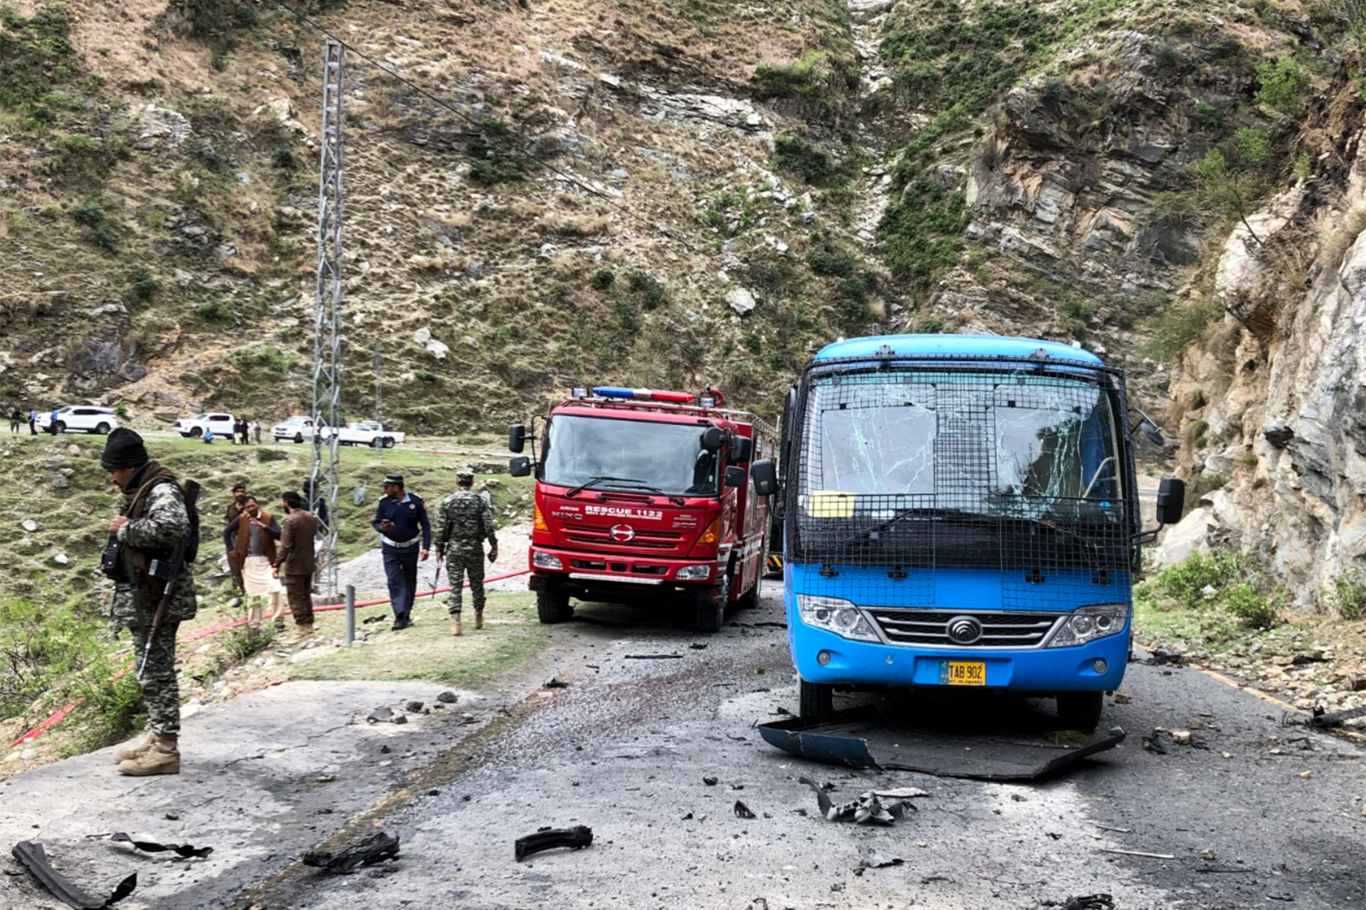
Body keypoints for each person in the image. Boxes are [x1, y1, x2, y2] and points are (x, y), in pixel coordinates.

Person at [101, 428, 197, 776]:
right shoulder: (146, 488)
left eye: (114, 470)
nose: (111, 478)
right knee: (150, 670)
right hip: (145, 595)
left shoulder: (160, 488)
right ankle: (157, 738)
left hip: (157, 598)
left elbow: (173, 528)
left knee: (155, 672)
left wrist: (126, 529)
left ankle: (167, 750)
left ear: (129, 467)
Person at [435, 471, 498, 636]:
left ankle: (456, 622)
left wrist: (438, 549)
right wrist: (494, 546)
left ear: (457, 482)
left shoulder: (447, 501)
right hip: (475, 548)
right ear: (472, 482)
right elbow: (488, 526)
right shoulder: (480, 501)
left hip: (455, 549)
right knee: (477, 584)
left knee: (455, 586)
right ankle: (478, 616)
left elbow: (441, 528)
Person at [371, 473, 430, 631]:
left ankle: (407, 614)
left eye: (387, 487)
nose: (384, 490)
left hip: (411, 548)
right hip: (390, 549)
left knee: (410, 582)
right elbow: (376, 522)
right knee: (394, 581)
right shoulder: (384, 503)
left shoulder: (416, 502)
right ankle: (399, 616)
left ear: (396, 488)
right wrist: (382, 528)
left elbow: (425, 525)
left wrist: (426, 547)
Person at [273, 491, 317, 643]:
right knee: (306, 595)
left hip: (294, 564)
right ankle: (309, 625)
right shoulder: (310, 517)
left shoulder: (290, 520)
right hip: (309, 562)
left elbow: (286, 545)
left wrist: (277, 564)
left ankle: (301, 628)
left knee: (295, 597)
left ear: (286, 502)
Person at [231, 496, 281, 627]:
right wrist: (232, 551)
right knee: (252, 593)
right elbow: (226, 532)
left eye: (253, 506)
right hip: (248, 560)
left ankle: (278, 620)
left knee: (275, 588)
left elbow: (279, 535)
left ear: (257, 504)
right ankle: (254, 623)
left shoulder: (268, 517)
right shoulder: (242, 519)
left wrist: (263, 526)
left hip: (266, 559)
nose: (251, 509)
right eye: (248, 507)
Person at [223, 483, 248, 592]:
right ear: (234, 493)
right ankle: (239, 593)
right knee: (234, 567)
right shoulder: (230, 507)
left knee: (247, 566)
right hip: (233, 540)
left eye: (242, 491)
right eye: (237, 492)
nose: (240, 494)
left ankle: (250, 592)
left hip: (246, 540)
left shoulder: (249, 506)